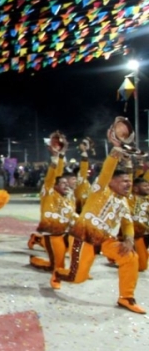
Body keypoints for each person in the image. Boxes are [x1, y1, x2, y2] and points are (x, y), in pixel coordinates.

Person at [53, 133, 144, 314]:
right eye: (124, 181)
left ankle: (126, 298)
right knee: (77, 278)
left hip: (105, 240)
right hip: (83, 237)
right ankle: (58, 273)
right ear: (112, 181)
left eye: (129, 181)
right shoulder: (101, 189)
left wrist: (129, 239)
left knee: (130, 257)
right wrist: (116, 152)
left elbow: (127, 224)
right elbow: (107, 170)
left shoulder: (124, 201)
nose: (128, 184)